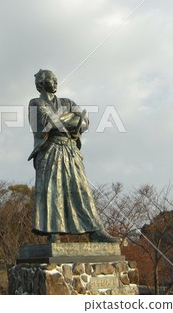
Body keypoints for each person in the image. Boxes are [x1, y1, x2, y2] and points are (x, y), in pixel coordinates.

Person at [28, 69, 119, 243]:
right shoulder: (35, 103)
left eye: (56, 79)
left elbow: (85, 122)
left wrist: (64, 120)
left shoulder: (67, 102)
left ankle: (95, 231)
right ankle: (53, 232)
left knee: (81, 189)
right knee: (51, 190)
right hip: (50, 150)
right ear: (40, 83)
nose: (55, 82)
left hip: (70, 150)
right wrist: (72, 119)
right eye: (51, 79)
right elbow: (47, 123)